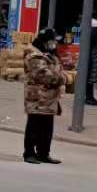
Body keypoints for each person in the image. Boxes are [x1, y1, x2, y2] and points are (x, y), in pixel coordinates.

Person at [23, 28, 66, 165]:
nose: (54, 44)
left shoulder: (48, 54)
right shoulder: (34, 55)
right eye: (52, 41)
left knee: (47, 128)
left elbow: (57, 69)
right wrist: (63, 79)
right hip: (37, 97)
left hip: (50, 98)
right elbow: (44, 75)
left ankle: (43, 153)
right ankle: (29, 153)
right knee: (34, 126)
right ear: (45, 41)